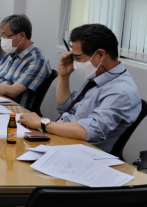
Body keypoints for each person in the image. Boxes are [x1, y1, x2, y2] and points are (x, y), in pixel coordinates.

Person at [18, 24, 141, 153]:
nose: (75, 63)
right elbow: (66, 108)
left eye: (78, 58)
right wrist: (64, 76)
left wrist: (42, 122)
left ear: (100, 54)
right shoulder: (98, 76)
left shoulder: (120, 92)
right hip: (62, 141)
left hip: (82, 154)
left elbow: (89, 131)